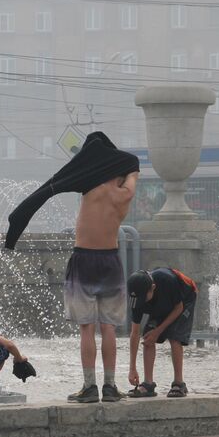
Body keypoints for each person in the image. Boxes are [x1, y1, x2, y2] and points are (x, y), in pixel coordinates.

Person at [66, 171, 139, 403]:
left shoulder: (91, 185)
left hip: (83, 258)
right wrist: (131, 172)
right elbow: (133, 174)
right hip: (110, 259)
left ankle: (89, 387)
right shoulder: (124, 194)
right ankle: (109, 386)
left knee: (86, 327)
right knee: (109, 328)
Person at [126, 268, 198, 398]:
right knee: (148, 337)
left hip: (184, 300)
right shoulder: (137, 299)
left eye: (143, 298)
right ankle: (148, 384)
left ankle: (179, 383)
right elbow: (134, 333)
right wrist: (132, 368)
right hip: (162, 304)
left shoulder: (167, 280)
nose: (141, 304)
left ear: (152, 288)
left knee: (174, 336)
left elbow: (178, 308)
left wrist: (158, 331)